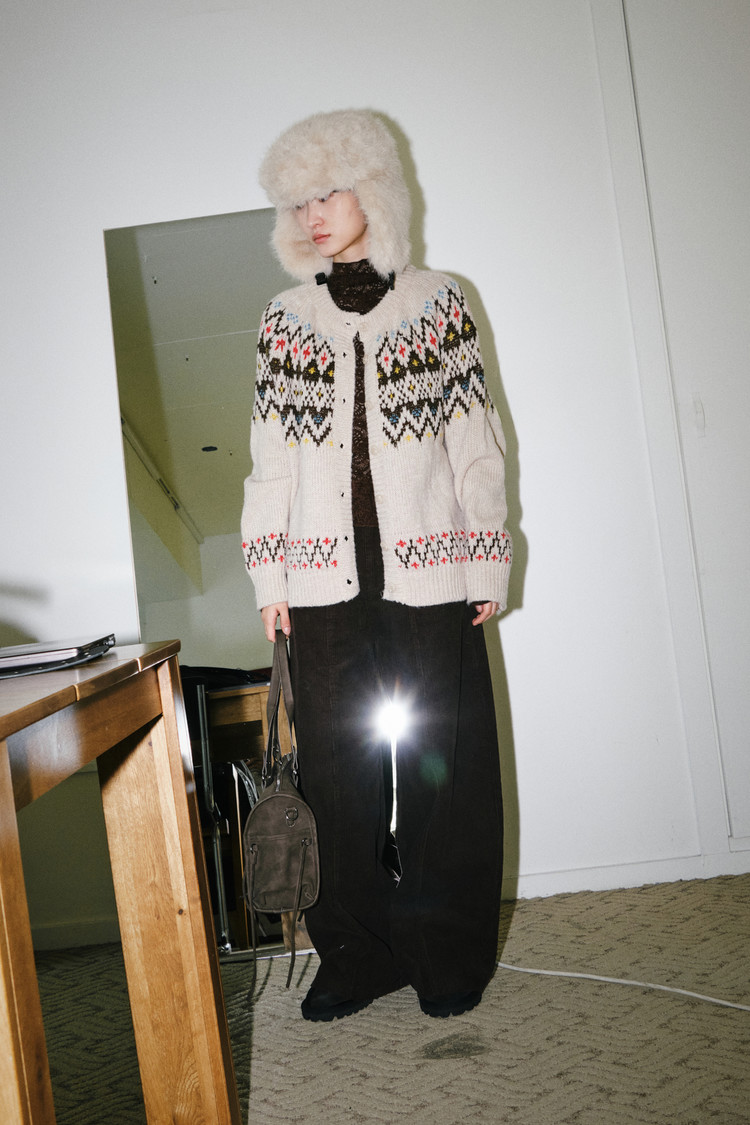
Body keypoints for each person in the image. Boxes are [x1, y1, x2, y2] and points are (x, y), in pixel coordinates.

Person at [241, 109, 511, 1021]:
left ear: (373, 189)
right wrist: (269, 578)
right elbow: (270, 463)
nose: (313, 214)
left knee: (444, 759)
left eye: (328, 191)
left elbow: (475, 442)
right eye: (298, 201)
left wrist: (487, 559)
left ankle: (445, 950)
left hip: (431, 568)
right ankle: (358, 954)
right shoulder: (285, 321)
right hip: (322, 581)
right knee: (338, 771)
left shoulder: (439, 302)